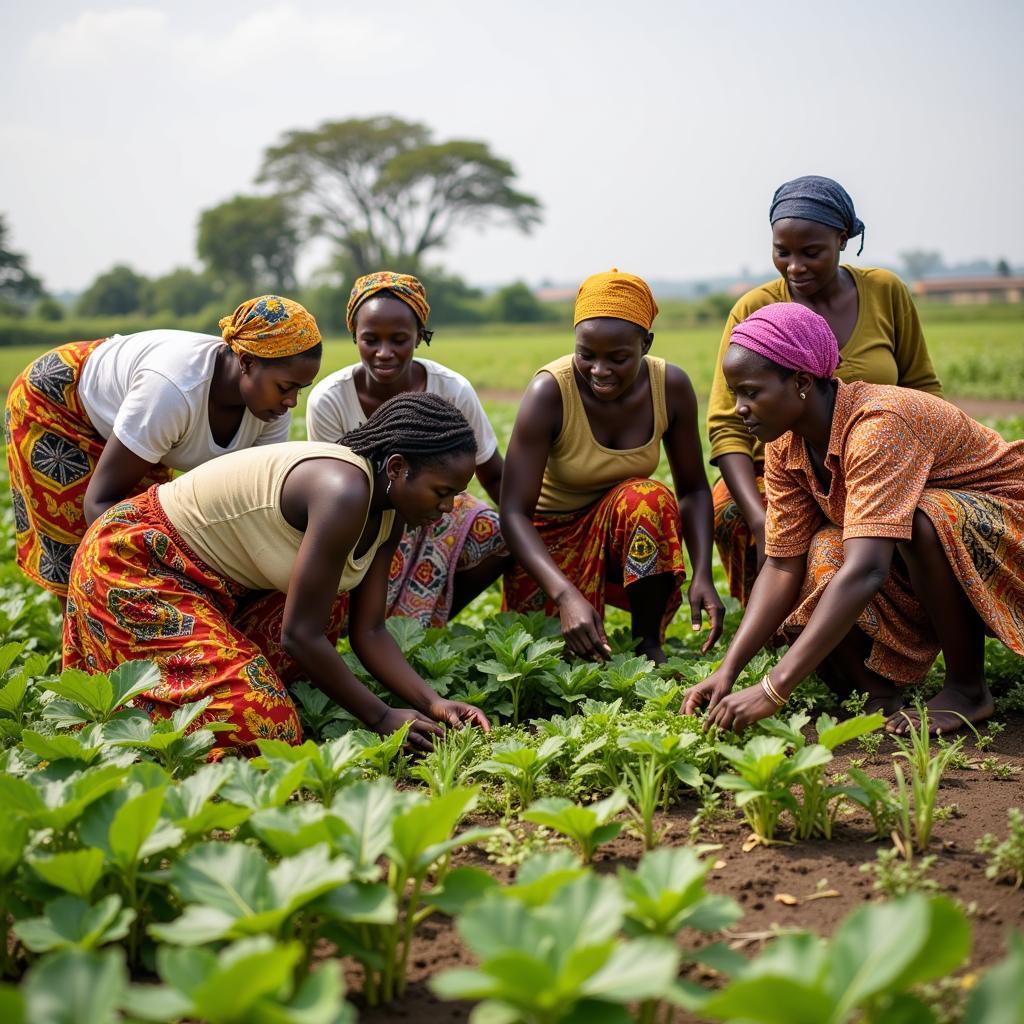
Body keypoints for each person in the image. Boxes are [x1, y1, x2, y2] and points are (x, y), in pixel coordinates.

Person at [63, 392, 491, 757]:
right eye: (442, 492)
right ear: (397, 468)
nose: (449, 508)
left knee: (324, 616)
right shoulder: (344, 492)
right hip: (136, 561)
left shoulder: (389, 514)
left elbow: (370, 631)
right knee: (268, 727)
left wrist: (433, 702)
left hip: (214, 587)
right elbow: (300, 636)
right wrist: (380, 715)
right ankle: (140, 727)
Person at [684, 303, 1024, 735]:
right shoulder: (785, 440)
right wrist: (728, 671)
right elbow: (782, 562)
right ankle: (877, 691)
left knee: (922, 519)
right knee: (824, 549)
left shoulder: (880, 424)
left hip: (1005, 531)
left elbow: (867, 570)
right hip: (927, 552)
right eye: (735, 393)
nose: (739, 408)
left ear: (802, 382)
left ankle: (968, 688)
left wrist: (773, 688)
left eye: (751, 392)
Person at [706, 176, 943, 605]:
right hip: (788, 472)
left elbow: (923, 389)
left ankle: (896, 622)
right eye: (783, 252)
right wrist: (762, 521)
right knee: (729, 510)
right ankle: (775, 623)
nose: (795, 266)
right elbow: (727, 425)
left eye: (810, 252)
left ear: (842, 239)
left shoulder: (885, 292)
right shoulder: (754, 308)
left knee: (912, 524)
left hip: (878, 463)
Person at [5, 295, 323, 603]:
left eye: (299, 388)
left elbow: (254, 504)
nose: (292, 401)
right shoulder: (172, 391)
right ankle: (78, 650)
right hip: (58, 405)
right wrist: (166, 573)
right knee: (82, 549)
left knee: (150, 521)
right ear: (247, 362)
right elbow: (100, 502)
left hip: (133, 415)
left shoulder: (272, 409)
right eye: (285, 387)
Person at [501, 268, 724, 664]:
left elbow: (692, 489)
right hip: (550, 543)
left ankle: (647, 642)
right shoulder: (550, 392)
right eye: (586, 355)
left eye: (617, 358)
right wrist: (566, 595)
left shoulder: (669, 387)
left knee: (648, 499)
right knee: (547, 659)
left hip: (620, 534)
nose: (599, 371)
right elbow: (514, 513)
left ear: (645, 343)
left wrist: (703, 571)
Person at [305, 271, 507, 627]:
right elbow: (328, 490)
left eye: (399, 339)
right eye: (371, 339)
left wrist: (529, 531)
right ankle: (364, 629)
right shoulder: (330, 399)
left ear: (419, 336)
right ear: (354, 335)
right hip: (362, 519)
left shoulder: (452, 389)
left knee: (500, 533)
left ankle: (429, 623)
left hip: (432, 510)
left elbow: (492, 472)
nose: (384, 352)